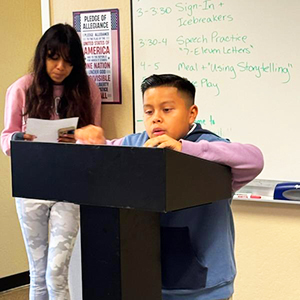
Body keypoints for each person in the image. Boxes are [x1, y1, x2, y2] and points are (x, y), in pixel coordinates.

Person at [75, 74, 263, 300]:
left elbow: (254, 159)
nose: (156, 119)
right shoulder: (136, 144)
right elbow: (104, 152)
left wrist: (184, 149)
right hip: (148, 281)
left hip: (204, 288)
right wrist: (91, 143)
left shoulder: (209, 148)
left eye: (167, 110)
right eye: (148, 111)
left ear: (191, 113)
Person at [0, 23, 101, 300]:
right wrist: (22, 137)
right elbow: (6, 139)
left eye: (68, 61)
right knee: (38, 274)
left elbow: (93, 141)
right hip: (31, 187)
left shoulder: (87, 89)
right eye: (53, 57)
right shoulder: (22, 88)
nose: (60, 67)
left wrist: (75, 136)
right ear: (42, 55)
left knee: (56, 274)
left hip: (69, 189)